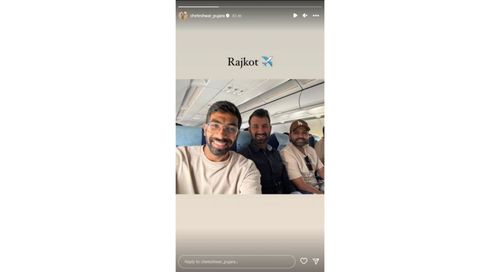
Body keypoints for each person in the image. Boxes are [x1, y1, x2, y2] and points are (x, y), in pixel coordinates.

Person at [176, 101, 261, 194]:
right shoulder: (180, 157)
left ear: (237, 135)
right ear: (205, 130)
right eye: (215, 126)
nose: (221, 135)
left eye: (231, 129)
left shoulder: (246, 168)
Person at [239, 109, 299, 194]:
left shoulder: (275, 153)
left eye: (264, 126)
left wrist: (294, 192)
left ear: (270, 129)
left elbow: (286, 180)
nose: (261, 131)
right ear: (249, 130)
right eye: (255, 126)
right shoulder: (243, 157)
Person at [280, 120, 325, 194]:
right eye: (296, 133)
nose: (300, 136)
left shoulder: (311, 150)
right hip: (304, 192)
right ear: (290, 136)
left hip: (317, 186)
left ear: (308, 135)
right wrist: (321, 194)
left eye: (304, 133)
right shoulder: (286, 153)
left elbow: (322, 170)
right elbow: (301, 185)